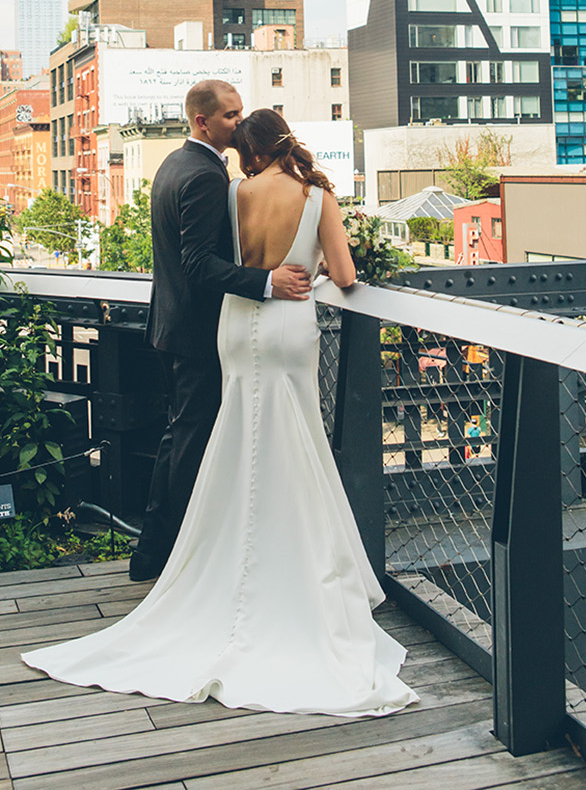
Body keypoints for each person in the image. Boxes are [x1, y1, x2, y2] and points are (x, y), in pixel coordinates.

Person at [22, 110, 419, 718]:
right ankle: (300, 572)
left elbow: (210, 261)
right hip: (289, 327)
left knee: (235, 442)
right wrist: (310, 269)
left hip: (236, 327)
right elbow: (344, 275)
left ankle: (221, 563)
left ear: (251, 151)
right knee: (295, 443)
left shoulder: (232, 192)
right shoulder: (318, 196)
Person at [126, 80, 312, 583]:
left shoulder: (173, 164)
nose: (239, 122)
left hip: (170, 325)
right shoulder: (206, 177)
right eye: (230, 116)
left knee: (180, 438)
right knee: (191, 442)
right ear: (203, 122)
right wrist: (267, 281)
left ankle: (157, 552)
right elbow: (198, 265)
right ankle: (170, 557)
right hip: (197, 332)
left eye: (240, 112)